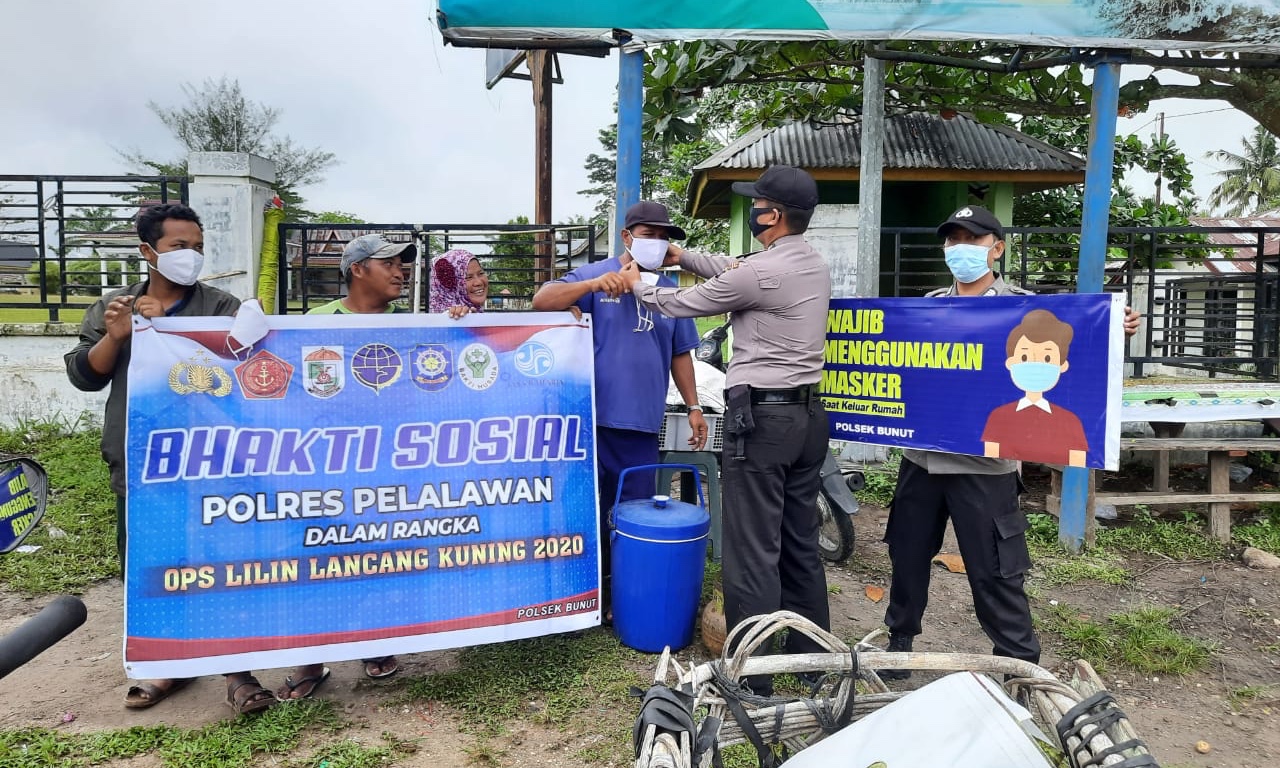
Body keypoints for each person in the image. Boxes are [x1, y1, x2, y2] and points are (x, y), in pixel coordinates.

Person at [880, 204, 1141, 679]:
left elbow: (1077, 344)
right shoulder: (928, 304)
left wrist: (1112, 330)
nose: (961, 249)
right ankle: (900, 645)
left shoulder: (1022, 308)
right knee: (907, 556)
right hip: (921, 461)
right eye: (953, 240)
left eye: (973, 240)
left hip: (986, 468)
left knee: (996, 570)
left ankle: (1020, 665)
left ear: (996, 248)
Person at [616, 167, 832, 693]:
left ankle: (752, 676)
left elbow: (680, 302)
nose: (753, 211)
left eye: (757, 204)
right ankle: (812, 657)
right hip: (807, 418)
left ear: (773, 215)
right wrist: (681, 256)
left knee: (751, 546)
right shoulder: (810, 263)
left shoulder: (757, 275)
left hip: (763, 419)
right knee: (798, 538)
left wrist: (640, 284)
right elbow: (737, 267)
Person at [64, 203, 277, 715]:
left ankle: (237, 670)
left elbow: (247, 357)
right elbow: (84, 375)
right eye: (180, 247)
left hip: (210, 461)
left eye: (198, 247)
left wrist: (188, 330)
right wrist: (118, 337)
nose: (191, 257)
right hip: (140, 463)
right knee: (149, 565)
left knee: (218, 563)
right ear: (147, 251)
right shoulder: (112, 310)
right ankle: (168, 665)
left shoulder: (221, 304)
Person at [531, 201, 707, 614]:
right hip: (588, 419)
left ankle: (619, 594)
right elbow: (543, 299)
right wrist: (590, 288)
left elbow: (680, 354)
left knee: (630, 514)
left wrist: (694, 406)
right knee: (582, 508)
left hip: (642, 423)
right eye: (649, 234)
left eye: (664, 236)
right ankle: (576, 593)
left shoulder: (670, 289)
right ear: (627, 237)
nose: (657, 242)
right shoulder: (597, 275)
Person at [279, 233, 416, 700]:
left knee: (382, 554)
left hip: (391, 464)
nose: (401, 271)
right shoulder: (310, 325)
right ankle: (310, 659)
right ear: (356, 269)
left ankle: (375, 642)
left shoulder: (420, 326)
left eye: (403, 264)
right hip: (327, 463)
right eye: (389, 264)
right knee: (319, 557)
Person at [982, 309, 1088, 466]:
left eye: (1047, 358)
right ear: (1010, 363)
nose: (1036, 365)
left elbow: (1078, 463)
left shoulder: (1070, 422)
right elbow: (990, 456)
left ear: (1062, 366)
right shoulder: (998, 416)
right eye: (1024, 357)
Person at [308, 233, 414, 315]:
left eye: (400, 266)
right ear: (357, 270)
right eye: (388, 263)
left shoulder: (409, 325)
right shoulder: (317, 321)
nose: (399, 275)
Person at [429, 249, 488, 318]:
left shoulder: (479, 316)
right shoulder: (446, 320)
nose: (479, 282)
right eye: (468, 277)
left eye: (481, 273)